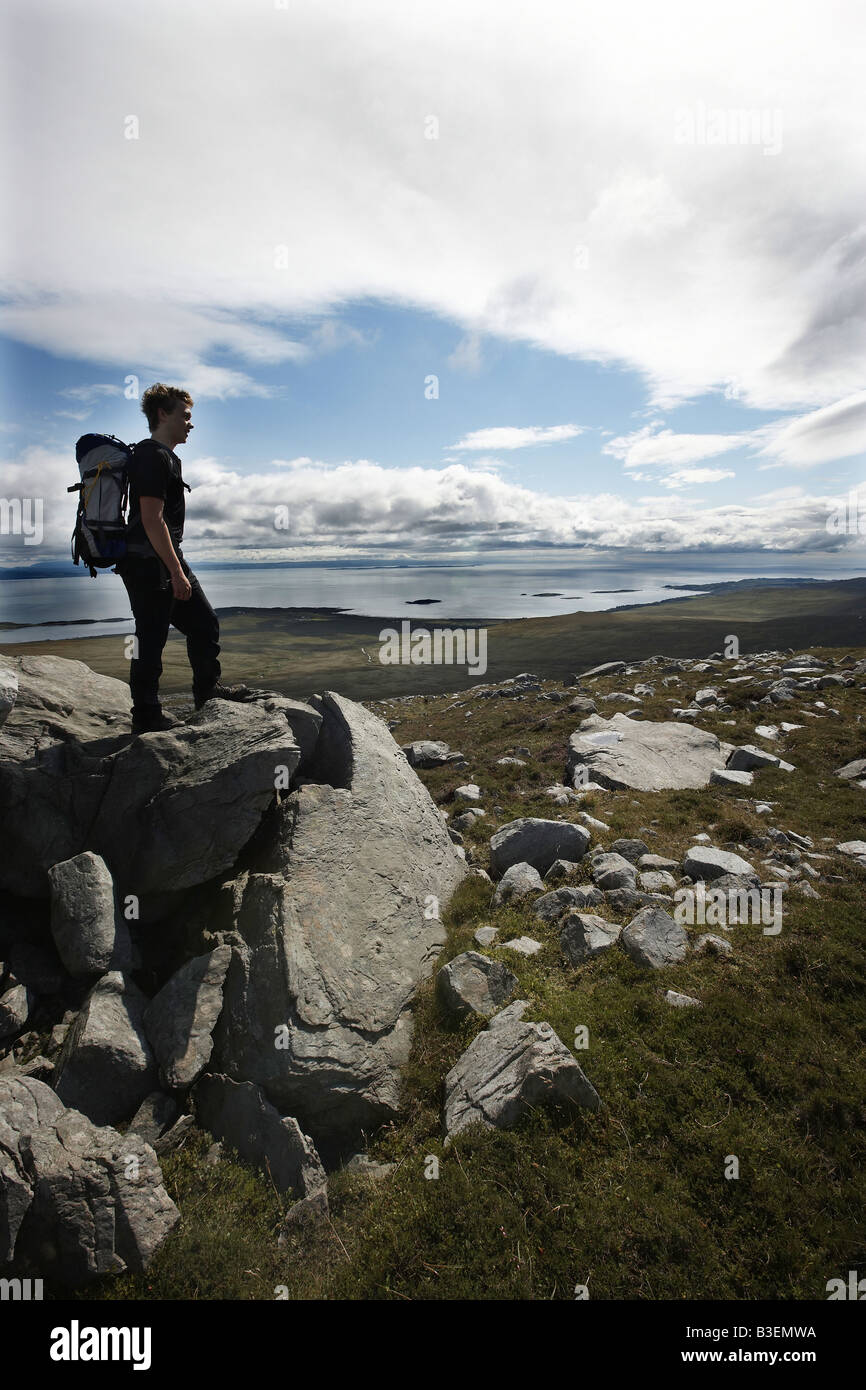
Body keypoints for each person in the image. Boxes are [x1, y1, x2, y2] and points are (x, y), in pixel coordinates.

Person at [116, 383, 252, 734]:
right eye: (185, 416)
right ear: (163, 414)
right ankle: (146, 716)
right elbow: (151, 518)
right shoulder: (151, 455)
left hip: (159, 558)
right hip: (150, 563)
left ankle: (208, 694)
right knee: (150, 639)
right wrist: (177, 573)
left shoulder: (163, 456)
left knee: (204, 625)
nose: (190, 424)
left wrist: (175, 568)